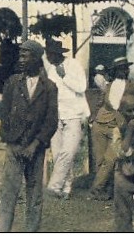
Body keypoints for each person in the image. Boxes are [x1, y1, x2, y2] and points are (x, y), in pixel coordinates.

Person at [0, 40, 59, 232]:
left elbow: (51, 121)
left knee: (34, 196)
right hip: (14, 147)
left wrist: (35, 145)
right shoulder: (12, 83)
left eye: (25, 56)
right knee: (8, 194)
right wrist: (12, 143)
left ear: (36, 58)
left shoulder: (49, 87)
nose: (21, 60)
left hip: (36, 150)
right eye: (20, 55)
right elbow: (5, 115)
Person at [100, 94, 134, 231]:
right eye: (129, 111)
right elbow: (121, 152)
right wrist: (130, 131)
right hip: (124, 177)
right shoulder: (118, 130)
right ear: (121, 112)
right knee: (123, 214)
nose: (133, 114)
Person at [43, 37, 89, 200]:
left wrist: (64, 77)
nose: (48, 59)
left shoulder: (74, 65)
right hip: (56, 116)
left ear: (56, 54)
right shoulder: (51, 70)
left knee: (67, 153)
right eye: (47, 56)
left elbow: (82, 87)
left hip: (74, 115)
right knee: (57, 154)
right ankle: (66, 188)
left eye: (49, 56)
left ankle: (53, 187)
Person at [89, 56, 134, 198]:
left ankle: (96, 190)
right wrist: (93, 116)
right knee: (100, 160)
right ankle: (106, 191)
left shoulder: (133, 86)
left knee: (111, 159)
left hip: (118, 126)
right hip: (100, 124)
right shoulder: (108, 86)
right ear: (115, 71)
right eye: (121, 68)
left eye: (126, 68)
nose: (124, 70)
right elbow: (100, 102)